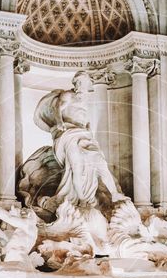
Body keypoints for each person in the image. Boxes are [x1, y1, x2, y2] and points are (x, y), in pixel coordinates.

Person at [34, 71, 125, 210]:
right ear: (75, 83)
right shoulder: (68, 95)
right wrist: (59, 122)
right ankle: (82, 200)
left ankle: (115, 194)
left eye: (85, 83)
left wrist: (89, 130)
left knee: (101, 163)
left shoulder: (86, 100)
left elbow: (85, 118)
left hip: (85, 135)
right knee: (76, 168)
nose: (82, 86)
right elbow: (57, 108)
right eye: (80, 83)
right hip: (69, 134)